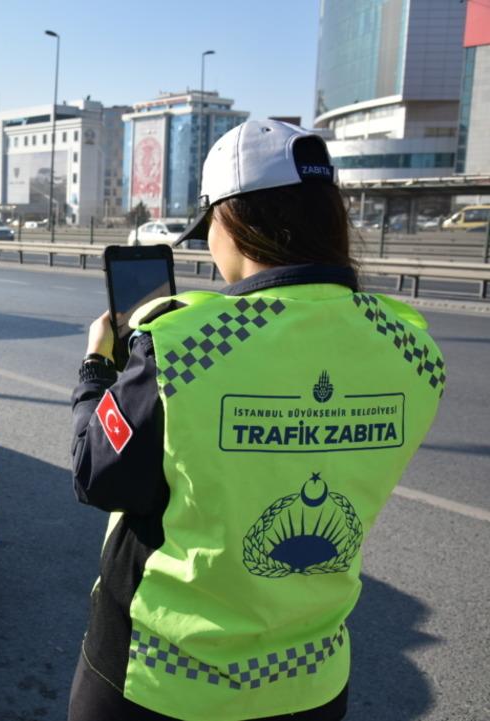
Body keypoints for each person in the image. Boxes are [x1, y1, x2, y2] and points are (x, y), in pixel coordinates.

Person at [68, 120, 444, 721]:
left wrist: (96, 370)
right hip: (311, 680)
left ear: (233, 221)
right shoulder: (412, 350)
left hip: (161, 682)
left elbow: (100, 475)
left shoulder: (183, 344)